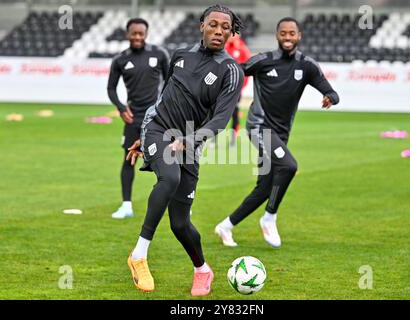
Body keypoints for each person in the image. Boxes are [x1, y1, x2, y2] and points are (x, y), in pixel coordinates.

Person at [125, 4, 243, 296]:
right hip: (159, 130)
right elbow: (165, 97)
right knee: (170, 178)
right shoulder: (179, 56)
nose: (218, 31)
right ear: (202, 25)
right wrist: (146, 136)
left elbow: (221, 119)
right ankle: (139, 255)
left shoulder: (230, 71)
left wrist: (190, 141)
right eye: (213, 24)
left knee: (180, 223)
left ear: (231, 32)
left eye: (225, 27)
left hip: (189, 145)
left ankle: (202, 269)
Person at [215, 17, 340, 248]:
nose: (288, 38)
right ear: (277, 35)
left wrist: (330, 97)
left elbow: (331, 91)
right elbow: (236, 72)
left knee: (264, 188)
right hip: (259, 128)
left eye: (292, 33)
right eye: (283, 33)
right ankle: (269, 217)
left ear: (299, 36)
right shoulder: (263, 61)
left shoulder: (307, 65)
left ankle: (226, 226)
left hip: (280, 135)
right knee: (289, 166)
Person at [107, 18, 169, 219]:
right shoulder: (120, 60)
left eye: (141, 33)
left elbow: (170, 83)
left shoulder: (159, 54)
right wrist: (120, 107)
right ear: (127, 34)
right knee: (129, 159)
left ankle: (177, 203)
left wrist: (166, 108)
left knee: (167, 160)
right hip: (133, 118)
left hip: (157, 118)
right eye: (134, 33)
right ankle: (126, 206)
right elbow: (111, 88)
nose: (137, 37)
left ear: (146, 33)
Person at [224, 34, 251, 145]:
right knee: (215, 112)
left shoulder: (242, 49)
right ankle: (213, 137)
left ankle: (233, 137)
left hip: (236, 88)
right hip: (222, 88)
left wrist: (241, 87)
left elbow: (247, 70)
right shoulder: (224, 47)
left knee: (234, 112)